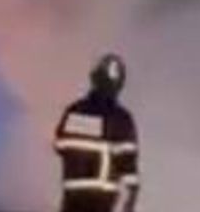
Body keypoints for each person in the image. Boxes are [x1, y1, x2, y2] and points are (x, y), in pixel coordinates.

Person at [54, 54, 140, 212]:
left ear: (95, 78)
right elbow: (128, 163)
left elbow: (59, 145)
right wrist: (132, 196)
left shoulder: (75, 110)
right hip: (102, 198)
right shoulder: (121, 117)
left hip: (73, 195)